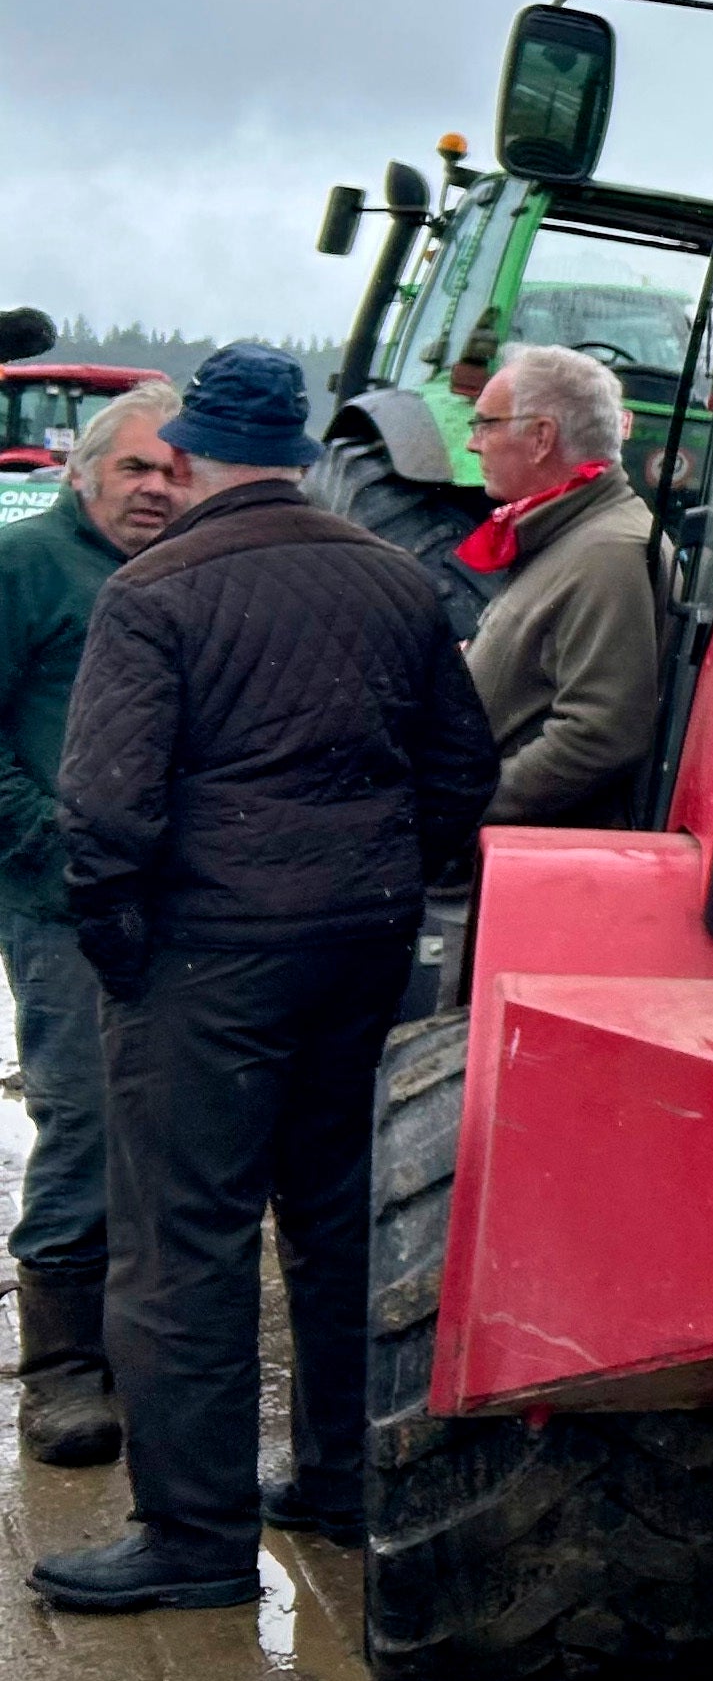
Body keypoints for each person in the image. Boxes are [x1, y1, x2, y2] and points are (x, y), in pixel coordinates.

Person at [26, 344, 496, 1613]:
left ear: (187, 455)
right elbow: (464, 770)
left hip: (207, 958)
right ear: (295, 451)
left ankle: (194, 1538)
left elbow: (106, 810)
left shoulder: (155, 590)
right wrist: (390, 884)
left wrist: (123, 948)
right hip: (359, 945)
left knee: (187, 1240)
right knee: (339, 1217)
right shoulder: (397, 582)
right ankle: (342, 1480)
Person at [0, 383, 185, 1465]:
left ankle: (135, 1344)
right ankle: (62, 1372)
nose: (156, 490)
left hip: (176, 905)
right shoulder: (30, 569)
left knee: (166, 1125)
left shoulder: (182, 575)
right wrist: (50, 848)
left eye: (172, 472)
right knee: (83, 1114)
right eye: (135, 470)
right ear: (85, 472)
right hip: (62, 904)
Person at [461, 344, 659, 824]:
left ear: (541, 437)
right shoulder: (570, 537)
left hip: (509, 857)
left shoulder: (609, 555)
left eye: (486, 424)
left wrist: (463, 810)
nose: (473, 443)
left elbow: (602, 735)